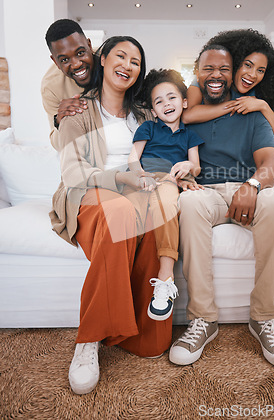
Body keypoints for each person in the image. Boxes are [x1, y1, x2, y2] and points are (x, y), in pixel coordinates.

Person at [50, 36, 175, 395]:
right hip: (87, 195)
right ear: (102, 59)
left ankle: (137, 332)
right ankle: (88, 339)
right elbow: (73, 174)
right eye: (121, 56)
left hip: (138, 195)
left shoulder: (146, 115)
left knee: (156, 218)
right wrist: (120, 178)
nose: (128, 65)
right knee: (119, 210)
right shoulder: (77, 110)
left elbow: (172, 140)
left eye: (136, 61)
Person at [169, 43, 274, 370]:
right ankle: (203, 319)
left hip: (246, 189)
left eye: (224, 69)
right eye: (208, 69)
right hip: (206, 190)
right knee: (190, 202)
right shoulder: (189, 111)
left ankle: (265, 319)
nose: (217, 75)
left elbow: (270, 160)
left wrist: (252, 185)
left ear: (233, 71)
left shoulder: (253, 112)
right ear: (197, 74)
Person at [128, 68, 203, 321]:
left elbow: (197, 165)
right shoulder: (147, 128)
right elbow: (133, 159)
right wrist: (141, 175)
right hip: (145, 182)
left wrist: (188, 169)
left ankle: (165, 277)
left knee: (168, 200)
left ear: (183, 102)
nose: (166, 104)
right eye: (158, 101)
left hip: (170, 181)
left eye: (171, 98)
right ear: (153, 109)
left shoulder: (190, 134)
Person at [182, 29, 274, 151]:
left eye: (260, 70)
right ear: (235, 62)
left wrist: (263, 106)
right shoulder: (209, 80)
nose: (253, 75)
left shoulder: (259, 93)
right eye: (248, 65)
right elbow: (188, 116)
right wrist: (237, 104)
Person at [42, 19, 94, 150]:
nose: (77, 64)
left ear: (89, 45)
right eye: (64, 60)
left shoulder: (110, 61)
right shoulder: (51, 87)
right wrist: (60, 121)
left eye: (80, 53)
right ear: (55, 61)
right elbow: (58, 145)